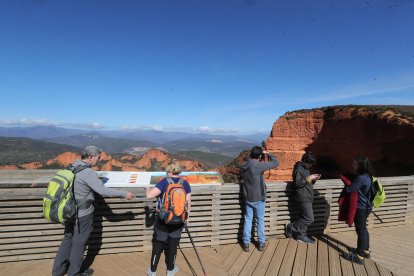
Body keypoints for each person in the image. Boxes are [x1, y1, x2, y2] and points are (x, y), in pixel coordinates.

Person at [52, 146, 135, 276]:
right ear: (91, 157)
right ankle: (74, 273)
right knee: (79, 243)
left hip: (68, 212)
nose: (99, 160)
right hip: (82, 214)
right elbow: (102, 190)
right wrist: (124, 194)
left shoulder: (71, 167)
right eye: (98, 158)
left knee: (68, 239)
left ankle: (57, 270)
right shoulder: (87, 172)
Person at [145, 161, 191, 276]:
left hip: (163, 220)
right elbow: (188, 203)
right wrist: (187, 219)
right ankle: (170, 270)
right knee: (173, 244)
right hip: (179, 219)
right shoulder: (185, 183)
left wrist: (147, 188)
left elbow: (149, 196)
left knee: (158, 244)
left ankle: (152, 271)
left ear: (170, 171)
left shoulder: (164, 182)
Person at [241, 146, 279, 252]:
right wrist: (269, 154)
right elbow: (276, 163)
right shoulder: (258, 165)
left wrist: (262, 155)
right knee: (260, 220)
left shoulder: (245, 164)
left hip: (248, 197)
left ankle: (246, 244)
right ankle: (261, 243)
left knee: (248, 220)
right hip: (258, 198)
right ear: (260, 155)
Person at [341, 156, 373, 265]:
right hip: (366, 206)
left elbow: (350, 189)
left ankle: (359, 256)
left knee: (361, 231)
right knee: (363, 229)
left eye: (355, 164)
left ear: (360, 166)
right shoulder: (367, 176)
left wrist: (345, 180)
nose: (352, 165)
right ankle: (365, 251)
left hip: (360, 207)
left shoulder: (360, 178)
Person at [285, 152, 321, 244]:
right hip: (302, 197)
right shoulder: (298, 168)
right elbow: (297, 183)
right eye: (309, 163)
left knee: (304, 217)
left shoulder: (305, 168)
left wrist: (313, 179)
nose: (310, 165)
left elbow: (306, 183)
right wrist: (309, 178)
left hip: (307, 196)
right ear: (305, 161)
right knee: (309, 218)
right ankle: (291, 227)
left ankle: (301, 236)